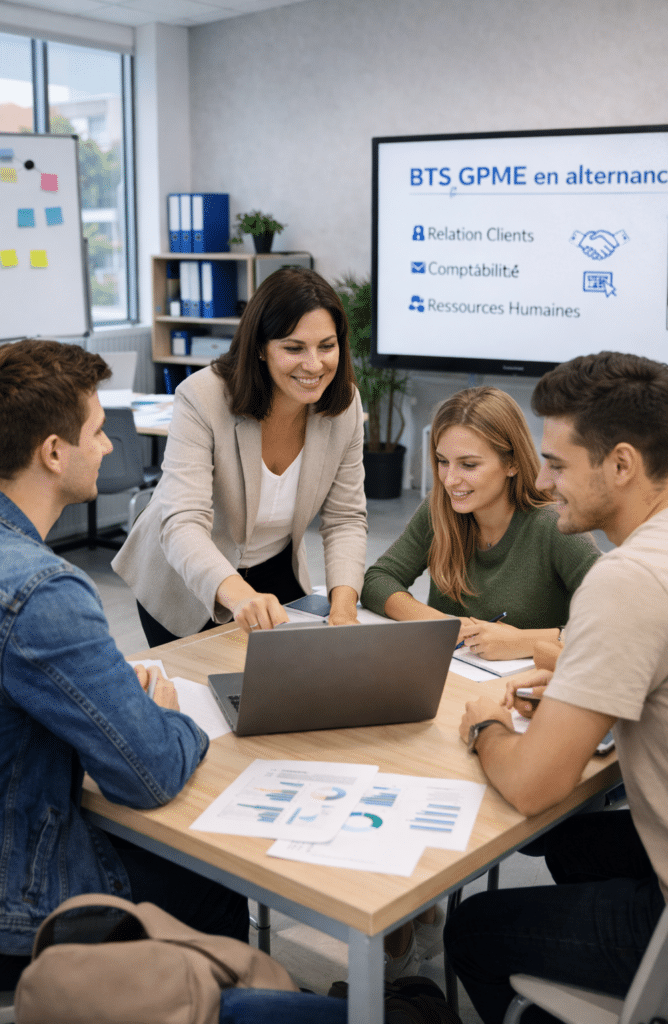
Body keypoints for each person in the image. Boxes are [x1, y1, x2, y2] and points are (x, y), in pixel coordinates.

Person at [0, 339, 248, 992]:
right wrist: (160, 716)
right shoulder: (42, 591)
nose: (107, 446)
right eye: (98, 431)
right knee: (211, 883)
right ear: (52, 451)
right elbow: (149, 773)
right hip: (20, 900)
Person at [444, 351, 668, 1024]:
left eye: (558, 464)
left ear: (621, 464)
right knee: (564, 841)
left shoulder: (625, 577)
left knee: (474, 930)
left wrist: (485, 725)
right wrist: (577, 676)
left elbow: (535, 784)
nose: (542, 481)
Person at [113, 266, 367, 647]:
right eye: (294, 348)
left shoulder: (343, 405)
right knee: (205, 695)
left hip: (273, 570)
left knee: (281, 691)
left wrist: (344, 607)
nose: (314, 365)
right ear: (261, 348)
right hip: (185, 579)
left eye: (327, 346)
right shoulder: (202, 398)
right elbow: (183, 522)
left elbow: (345, 518)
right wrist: (237, 594)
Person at [361, 386, 599, 659]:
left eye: (469, 465)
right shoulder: (438, 508)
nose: (450, 480)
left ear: (512, 464)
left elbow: (617, 624)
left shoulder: (554, 526)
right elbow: (378, 580)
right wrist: (441, 624)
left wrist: (526, 641)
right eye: (442, 461)